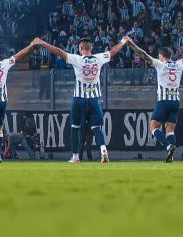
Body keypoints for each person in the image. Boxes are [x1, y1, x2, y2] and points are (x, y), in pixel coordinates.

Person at [33, 35, 128, 164]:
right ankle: (103, 151)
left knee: (75, 127)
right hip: (94, 99)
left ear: (81, 48)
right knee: (96, 127)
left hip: (79, 99)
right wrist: (123, 40)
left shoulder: (77, 59)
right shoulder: (99, 58)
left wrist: (42, 43)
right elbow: (114, 51)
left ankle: (75, 157)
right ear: (91, 48)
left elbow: (58, 51)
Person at [124, 36, 183, 162]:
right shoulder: (179, 64)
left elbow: (143, 54)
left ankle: (168, 146)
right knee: (170, 130)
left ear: (161, 56)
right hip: (175, 102)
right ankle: (171, 154)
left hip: (164, 101)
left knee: (153, 127)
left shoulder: (159, 64)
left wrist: (131, 44)